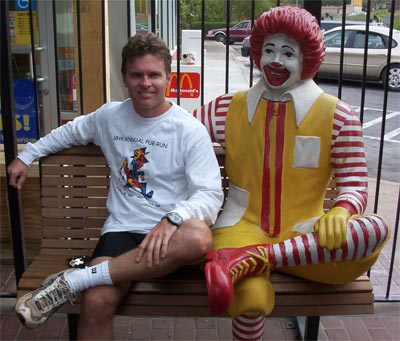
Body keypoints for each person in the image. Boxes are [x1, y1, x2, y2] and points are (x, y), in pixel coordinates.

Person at [8, 32, 224, 339]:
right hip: (122, 229)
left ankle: (76, 280)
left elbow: (210, 194)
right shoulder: (110, 116)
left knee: (199, 238)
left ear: (169, 79)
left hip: (170, 239)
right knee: (96, 302)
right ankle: (84, 283)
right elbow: (67, 134)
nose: (145, 83)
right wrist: (26, 155)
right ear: (124, 77)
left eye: (154, 75)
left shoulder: (188, 129)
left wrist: (173, 218)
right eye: (137, 74)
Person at [192, 6, 390, 340]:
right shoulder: (226, 108)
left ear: (307, 59)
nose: (275, 61)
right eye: (268, 50)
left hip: (307, 238)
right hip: (240, 229)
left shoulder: (339, 116)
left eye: (287, 52)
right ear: (257, 53)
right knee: (251, 298)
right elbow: (178, 134)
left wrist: (342, 211)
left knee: (375, 229)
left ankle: (258, 259)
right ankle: (251, 261)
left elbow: (355, 182)